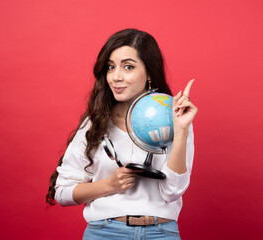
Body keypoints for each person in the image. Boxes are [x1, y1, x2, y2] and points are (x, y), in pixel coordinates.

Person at [46, 28, 198, 240]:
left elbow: (172, 191)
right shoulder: (95, 124)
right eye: (110, 67)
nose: (116, 77)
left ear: (150, 73)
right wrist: (109, 185)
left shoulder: (175, 120)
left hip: (161, 233)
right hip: (105, 232)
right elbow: (62, 193)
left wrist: (181, 130)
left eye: (128, 67)